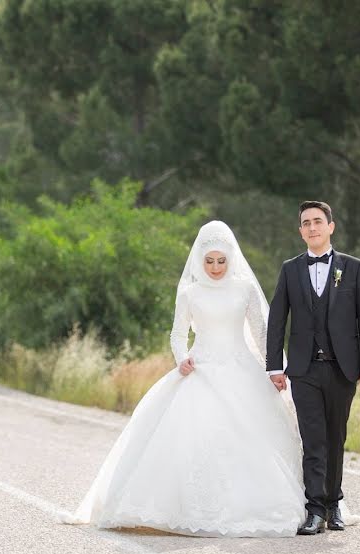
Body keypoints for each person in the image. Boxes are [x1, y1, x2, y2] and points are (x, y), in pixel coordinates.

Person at [66, 221, 305, 537]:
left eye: (221, 260)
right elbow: (178, 334)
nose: (216, 267)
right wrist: (182, 359)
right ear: (200, 260)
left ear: (230, 259)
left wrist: (275, 368)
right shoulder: (190, 292)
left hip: (241, 370)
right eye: (209, 261)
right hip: (200, 369)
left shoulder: (244, 289)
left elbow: (261, 333)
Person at [266, 201, 360, 535]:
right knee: (313, 440)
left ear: (331, 227)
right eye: (306, 223)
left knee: (335, 438)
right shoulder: (290, 269)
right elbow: (276, 320)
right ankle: (314, 509)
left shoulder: (354, 268)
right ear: (300, 231)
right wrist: (275, 366)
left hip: (343, 368)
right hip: (303, 369)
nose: (312, 227)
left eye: (318, 221)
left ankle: (333, 505)